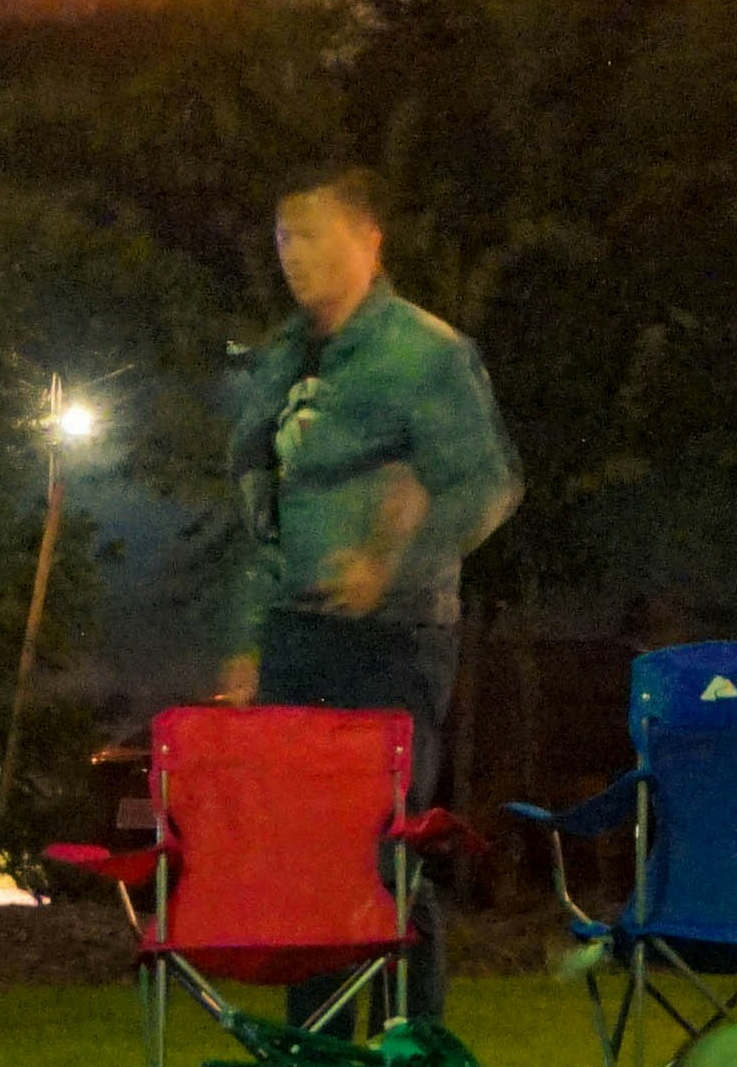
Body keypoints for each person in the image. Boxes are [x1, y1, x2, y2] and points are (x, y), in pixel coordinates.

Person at [221, 164, 517, 1018]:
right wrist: (246, 637)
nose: (292, 253)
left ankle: (410, 1043)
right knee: (304, 852)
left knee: (382, 842)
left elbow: (484, 485)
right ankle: (319, 1050)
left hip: (394, 638)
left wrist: (392, 562)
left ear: (368, 238)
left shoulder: (424, 354)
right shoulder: (282, 358)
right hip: (293, 634)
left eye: (312, 233)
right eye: (282, 235)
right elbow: (259, 505)